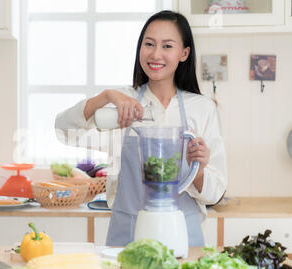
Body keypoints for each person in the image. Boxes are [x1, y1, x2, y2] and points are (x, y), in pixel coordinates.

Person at [55, 10, 227, 247]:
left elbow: (215, 193)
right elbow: (63, 131)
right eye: (149, 44)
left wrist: (197, 170)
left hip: (182, 237)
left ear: (184, 53)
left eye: (167, 46)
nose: (156, 54)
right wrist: (105, 96)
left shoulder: (203, 108)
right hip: (128, 238)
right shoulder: (121, 103)